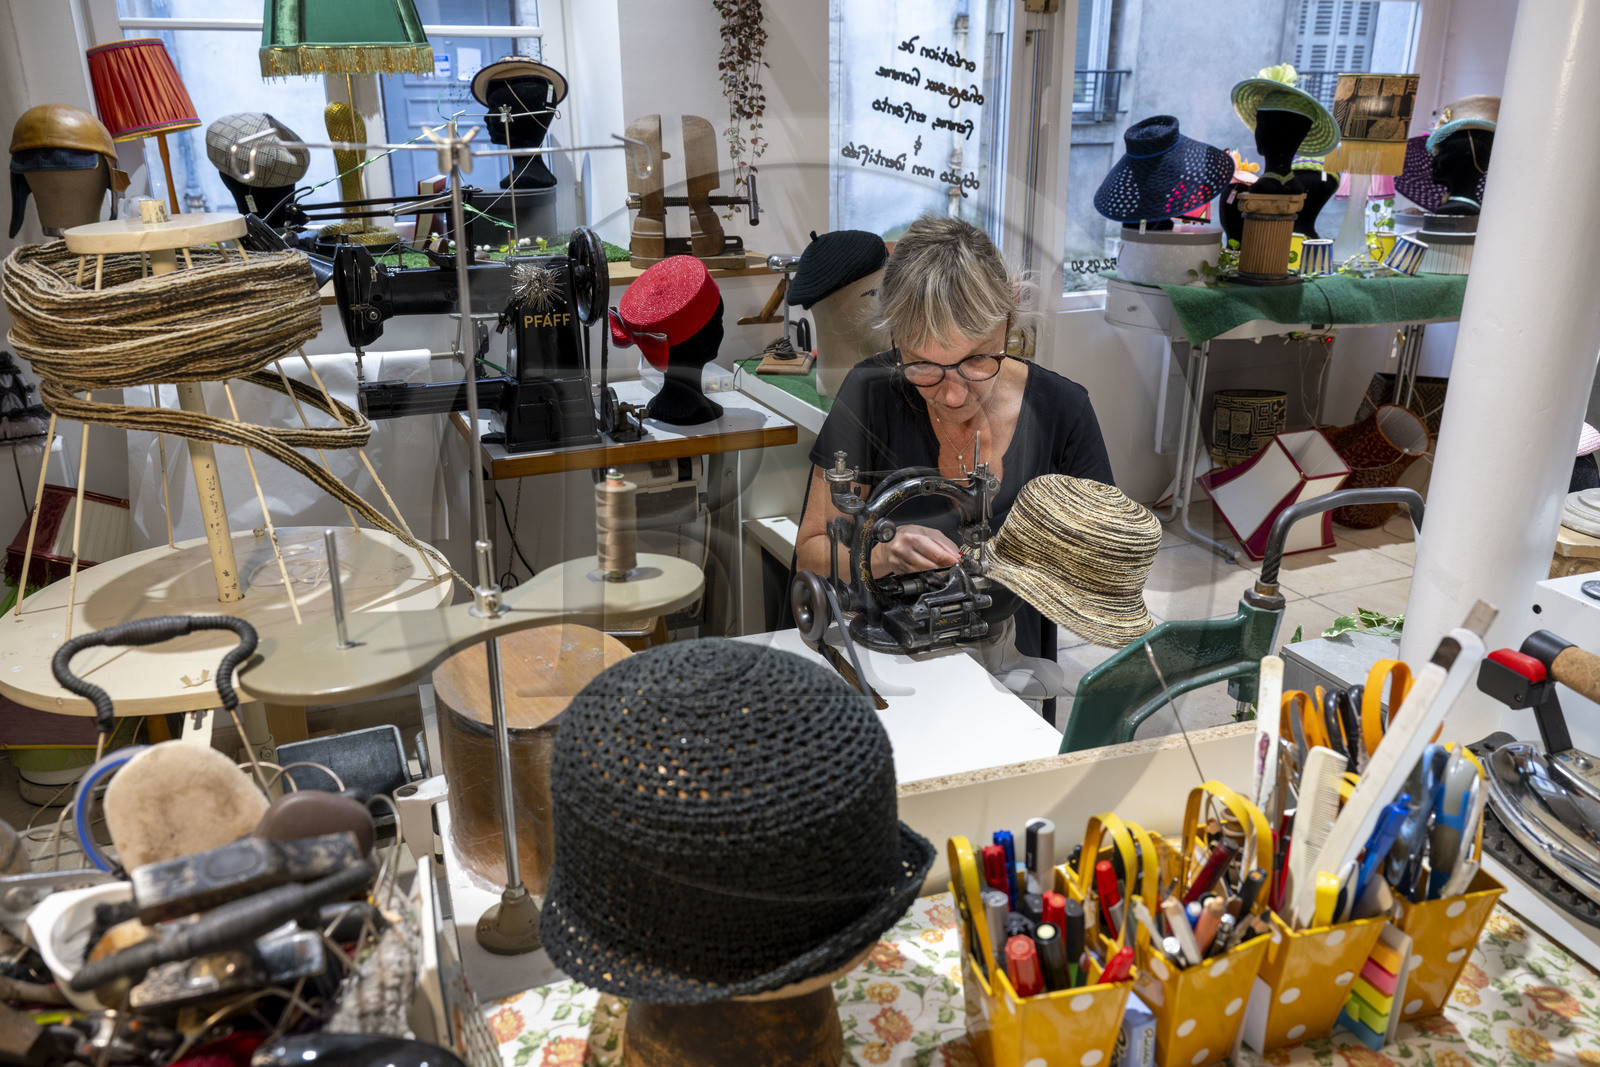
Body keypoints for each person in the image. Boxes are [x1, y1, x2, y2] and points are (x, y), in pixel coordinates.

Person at [793, 214, 1114, 704]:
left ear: (1010, 320)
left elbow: (1102, 569)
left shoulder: (1062, 412)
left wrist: (1030, 561)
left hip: (1009, 668)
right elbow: (813, 547)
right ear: (895, 337)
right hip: (886, 670)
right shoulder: (869, 393)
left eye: (978, 359)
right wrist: (882, 554)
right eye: (923, 364)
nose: (954, 393)